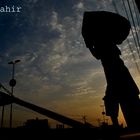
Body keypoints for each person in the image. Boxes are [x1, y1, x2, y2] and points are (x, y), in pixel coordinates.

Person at [82, 11, 140, 129]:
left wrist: (91, 48)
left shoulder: (105, 45)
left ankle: (125, 122)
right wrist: (91, 48)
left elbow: (98, 55)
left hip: (115, 72)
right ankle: (123, 122)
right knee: (120, 92)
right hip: (115, 71)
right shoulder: (105, 42)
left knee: (120, 92)